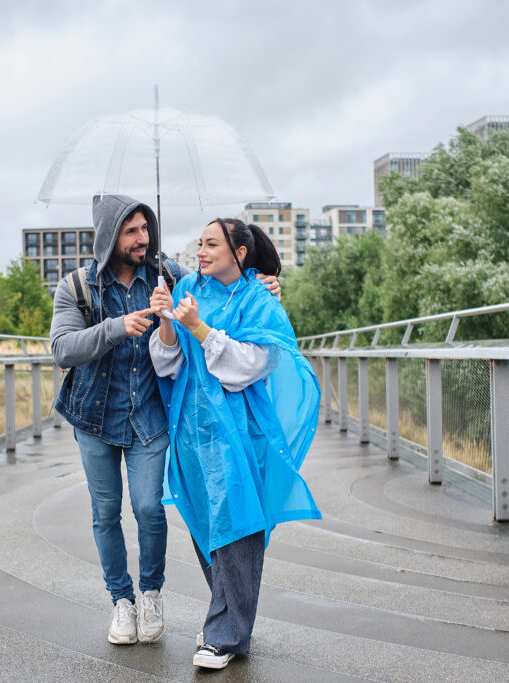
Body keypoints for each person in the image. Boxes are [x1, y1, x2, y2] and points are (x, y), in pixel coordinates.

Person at [50, 196, 280, 646]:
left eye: (145, 229)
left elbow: (224, 277)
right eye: (131, 231)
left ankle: (151, 592)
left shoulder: (168, 275)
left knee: (151, 509)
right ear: (108, 237)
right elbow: (61, 349)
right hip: (92, 416)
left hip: (150, 416)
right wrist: (117, 327)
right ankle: (122, 600)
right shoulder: (76, 287)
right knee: (105, 512)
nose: (143, 239)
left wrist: (268, 284)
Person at [148, 217, 321, 669]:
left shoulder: (259, 297)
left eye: (210, 244)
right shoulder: (187, 286)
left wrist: (201, 328)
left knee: (238, 524)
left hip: (241, 431)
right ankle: (233, 627)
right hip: (192, 431)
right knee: (206, 525)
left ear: (239, 253)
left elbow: (253, 366)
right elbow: (167, 363)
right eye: (198, 244)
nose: (200, 252)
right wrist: (168, 320)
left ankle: (221, 636)